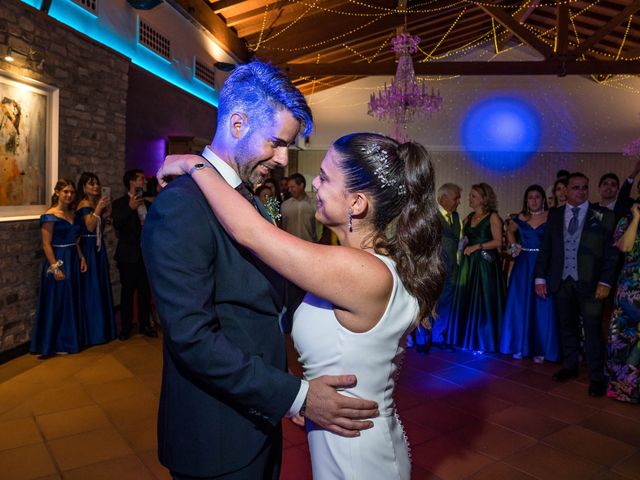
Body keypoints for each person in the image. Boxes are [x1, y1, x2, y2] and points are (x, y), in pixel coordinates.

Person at [158, 131, 444, 480]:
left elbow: (251, 232)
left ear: (356, 203)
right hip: (348, 438)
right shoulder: (361, 265)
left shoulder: (361, 271)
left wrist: (194, 163)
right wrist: (301, 393)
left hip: (357, 454)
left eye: (325, 177)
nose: (315, 184)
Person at [142, 62, 380, 480]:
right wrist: (298, 397)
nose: (283, 159)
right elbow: (193, 339)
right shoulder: (182, 206)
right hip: (215, 436)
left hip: (257, 416)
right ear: (237, 123)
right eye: (276, 143)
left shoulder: (247, 198)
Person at [534, 172, 618, 397]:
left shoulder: (603, 215)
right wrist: (540, 277)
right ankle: (570, 366)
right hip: (562, 281)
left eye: (584, 187)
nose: (580, 191)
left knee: (592, 330)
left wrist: (605, 281)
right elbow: (546, 249)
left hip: (592, 284)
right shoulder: (555, 215)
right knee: (566, 326)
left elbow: (612, 254)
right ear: (566, 190)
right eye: (575, 187)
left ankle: (597, 376)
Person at [500, 185, 559, 363]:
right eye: (530, 197)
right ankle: (518, 345)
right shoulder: (520, 217)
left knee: (542, 305)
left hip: (543, 263)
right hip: (524, 263)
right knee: (520, 303)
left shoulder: (552, 216)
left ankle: (540, 348)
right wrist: (513, 246)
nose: (533, 200)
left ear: (543, 199)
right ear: (526, 200)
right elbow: (509, 231)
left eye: (537, 197)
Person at [31, 179, 87, 357]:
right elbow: (46, 245)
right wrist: (55, 268)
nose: (69, 195)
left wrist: (82, 257)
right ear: (57, 193)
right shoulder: (50, 215)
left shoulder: (72, 214)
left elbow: (75, 240)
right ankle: (54, 343)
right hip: (58, 260)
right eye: (65, 192)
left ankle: (69, 340)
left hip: (72, 257)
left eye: (71, 192)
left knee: (71, 299)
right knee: (58, 301)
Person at [447, 183, 505, 353]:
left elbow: (498, 242)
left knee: (482, 301)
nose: (469, 199)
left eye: (473, 196)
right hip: (469, 264)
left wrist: (477, 246)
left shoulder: (493, 217)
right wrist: (463, 241)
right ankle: (465, 338)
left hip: (485, 265)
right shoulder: (469, 217)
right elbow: (461, 236)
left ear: (483, 199)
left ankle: (482, 341)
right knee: (467, 299)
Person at [416, 183, 462, 354]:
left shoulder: (456, 217)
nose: (458, 202)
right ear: (443, 198)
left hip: (452, 270)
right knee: (427, 303)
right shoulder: (431, 217)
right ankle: (421, 339)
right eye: (456, 198)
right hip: (434, 269)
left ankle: (437, 337)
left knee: (445, 304)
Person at [112, 169, 156, 340]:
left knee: (145, 292)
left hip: (146, 256)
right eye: (141, 179)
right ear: (132, 182)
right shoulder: (120, 203)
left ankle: (145, 325)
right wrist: (130, 209)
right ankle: (126, 327)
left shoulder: (149, 204)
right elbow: (117, 224)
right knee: (127, 292)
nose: (145, 182)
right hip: (128, 256)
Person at [75, 172, 116, 346]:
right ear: (83, 188)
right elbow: (89, 227)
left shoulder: (94, 203)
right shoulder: (84, 204)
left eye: (97, 184)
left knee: (99, 285)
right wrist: (99, 209)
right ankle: (93, 331)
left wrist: (106, 216)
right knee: (91, 287)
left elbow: (100, 226)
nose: (96, 187)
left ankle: (103, 329)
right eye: (91, 184)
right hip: (88, 248)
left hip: (98, 248)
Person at [607, 202, 640, 403]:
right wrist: (636, 218)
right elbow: (625, 246)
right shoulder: (627, 220)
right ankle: (623, 389)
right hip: (630, 288)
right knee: (623, 339)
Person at [281, 173, 316, 242]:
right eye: (289, 187)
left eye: (292, 187)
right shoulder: (285, 205)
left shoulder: (314, 204)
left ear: (301, 185)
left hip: (310, 246)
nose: (289, 190)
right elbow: (283, 228)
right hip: (290, 246)